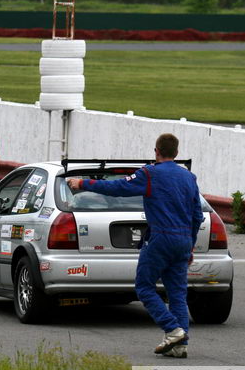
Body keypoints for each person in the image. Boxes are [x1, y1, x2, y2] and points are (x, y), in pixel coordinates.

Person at [67, 133, 203, 358]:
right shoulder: (189, 177)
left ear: (156, 151)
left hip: (160, 238)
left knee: (144, 287)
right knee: (177, 293)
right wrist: (190, 245)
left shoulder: (149, 174)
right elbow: (197, 215)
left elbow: (118, 187)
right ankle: (180, 345)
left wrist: (83, 183)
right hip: (183, 240)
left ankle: (173, 329)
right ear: (176, 153)